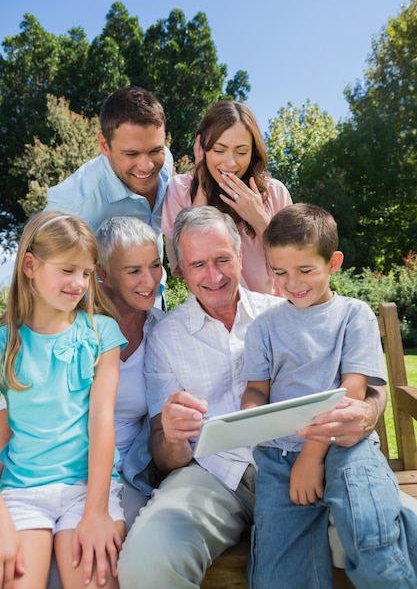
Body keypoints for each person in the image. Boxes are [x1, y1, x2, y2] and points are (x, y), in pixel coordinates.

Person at [117, 205, 388, 589]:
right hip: (214, 477)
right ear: (179, 269)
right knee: (148, 563)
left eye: (223, 259)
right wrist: (174, 435)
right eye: (197, 265)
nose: (213, 276)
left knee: (377, 534)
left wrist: (368, 411)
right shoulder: (164, 337)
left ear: (241, 256)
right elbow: (164, 456)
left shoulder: (285, 310)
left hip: (304, 463)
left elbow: (365, 388)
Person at [240, 203, 417, 589]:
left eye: (305, 270)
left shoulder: (354, 316)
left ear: (333, 262)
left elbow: (352, 391)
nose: (293, 282)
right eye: (280, 271)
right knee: (277, 579)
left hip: (346, 446)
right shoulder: (265, 328)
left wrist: (311, 455)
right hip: (280, 458)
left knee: (374, 543)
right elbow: (256, 389)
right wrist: (248, 417)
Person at [0, 212, 127, 589]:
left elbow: (102, 420)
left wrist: (96, 512)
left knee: (93, 577)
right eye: (68, 270)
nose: (79, 284)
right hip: (21, 493)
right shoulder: (5, 343)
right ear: (29, 266)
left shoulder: (101, 332)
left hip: (87, 489)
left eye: (86, 273)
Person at [45, 86, 174, 307]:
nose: (147, 165)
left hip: (155, 306)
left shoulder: (166, 162)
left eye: (155, 150)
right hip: (102, 319)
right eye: (131, 154)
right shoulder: (75, 206)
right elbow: (41, 279)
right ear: (105, 145)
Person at [162, 100, 292, 296]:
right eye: (219, 150)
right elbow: (183, 266)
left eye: (241, 152)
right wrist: (203, 188)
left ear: (253, 153)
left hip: (267, 315)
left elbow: (292, 265)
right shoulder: (180, 189)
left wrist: (260, 220)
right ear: (202, 146)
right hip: (208, 317)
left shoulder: (274, 193)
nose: (230, 163)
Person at [96, 216, 165, 529]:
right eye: (134, 271)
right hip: (66, 470)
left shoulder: (163, 331)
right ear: (105, 275)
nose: (150, 281)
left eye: (154, 265)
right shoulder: (74, 325)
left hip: (127, 475)